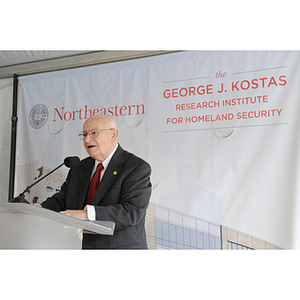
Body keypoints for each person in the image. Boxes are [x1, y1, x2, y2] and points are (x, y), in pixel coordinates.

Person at [33, 114, 152, 249]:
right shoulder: (79, 168)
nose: (87, 139)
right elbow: (63, 199)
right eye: (84, 134)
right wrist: (41, 208)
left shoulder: (135, 167)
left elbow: (132, 212)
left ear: (113, 135)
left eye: (93, 133)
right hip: (79, 246)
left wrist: (86, 214)